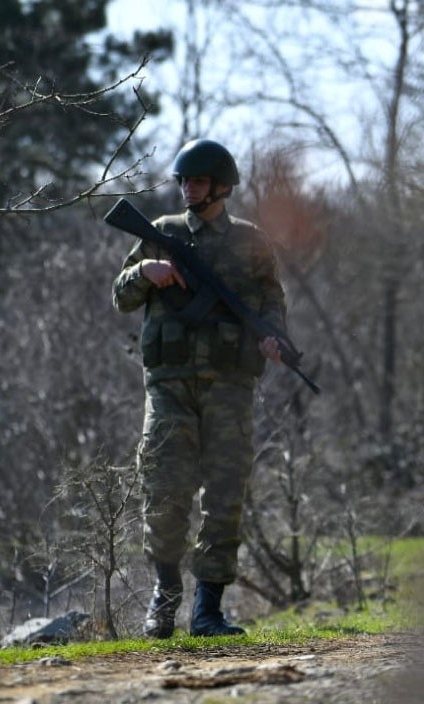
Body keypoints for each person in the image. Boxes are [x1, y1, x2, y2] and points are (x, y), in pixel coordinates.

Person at [112, 139, 288, 638]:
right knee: (165, 491)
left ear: (222, 186)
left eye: (199, 181)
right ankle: (164, 601)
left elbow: (272, 304)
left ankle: (208, 609)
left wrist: (275, 339)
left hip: (230, 387)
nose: (189, 188)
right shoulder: (161, 233)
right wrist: (145, 271)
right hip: (169, 386)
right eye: (184, 181)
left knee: (226, 495)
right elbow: (121, 296)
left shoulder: (253, 242)